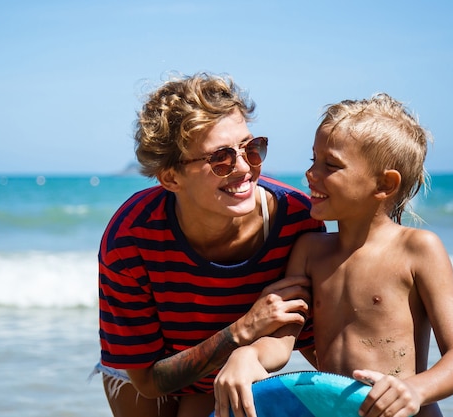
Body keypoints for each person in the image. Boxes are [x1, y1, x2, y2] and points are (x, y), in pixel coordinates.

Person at [213, 93, 453, 417]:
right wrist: (248, 355)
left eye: (331, 165)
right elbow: (282, 343)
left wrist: (414, 390)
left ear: (384, 183)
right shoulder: (310, 251)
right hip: (330, 410)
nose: (312, 174)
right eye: (313, 160)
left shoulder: (418, 249)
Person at [93, 72, 325, 417]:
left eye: (252, 147)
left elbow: (319, 345)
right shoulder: (130, 238)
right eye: (221, 158)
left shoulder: (296, 220)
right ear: (171, 177)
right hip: (152, 368)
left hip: (236, 369)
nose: (245, 167)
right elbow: (146, 380)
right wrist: (243, 328)